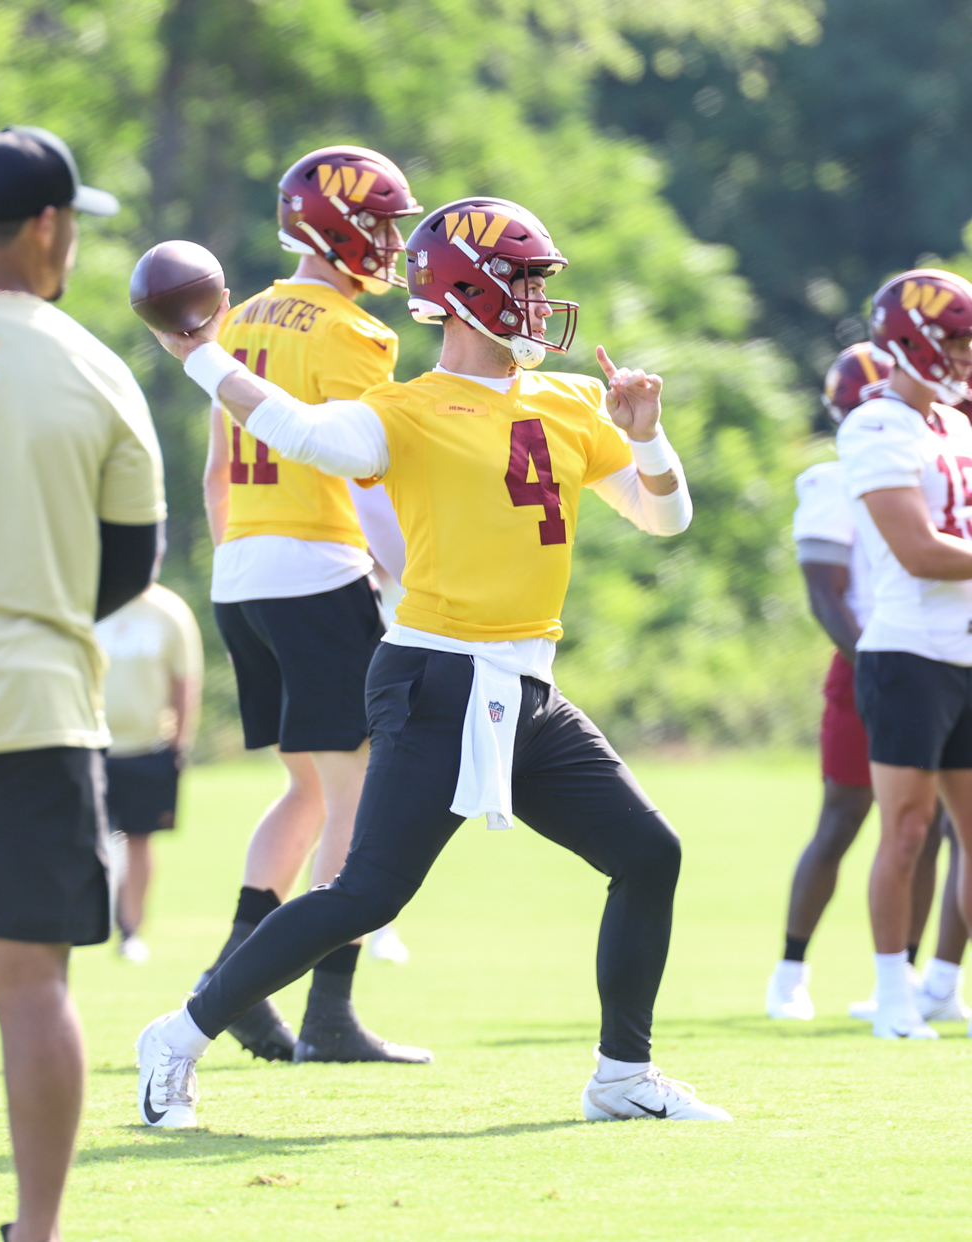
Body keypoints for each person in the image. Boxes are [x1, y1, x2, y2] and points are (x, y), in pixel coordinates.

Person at [136, 194, 733, 1128]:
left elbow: (667, 517)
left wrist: (648, 432)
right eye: (526, 283)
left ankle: (622, 1076)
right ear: (469, 293)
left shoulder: (571, 400)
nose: (539, 303)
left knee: (649, 854)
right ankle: (175, 1036)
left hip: (527, 685)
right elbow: (302, 433)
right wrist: (200, 356)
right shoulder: (406, 409)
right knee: (366, 895)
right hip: (436, 679)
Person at [0, 127, 164, 1242]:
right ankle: (36, 1234)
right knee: (30, 986)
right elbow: (128, 569)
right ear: (47, 226)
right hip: (36, 711)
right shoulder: (94, 367)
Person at [198, 144, 428, 1063]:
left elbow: (218, 470)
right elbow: (370, 470)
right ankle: (322, 1008)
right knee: (356, 796)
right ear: (332, 226)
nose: (388, 241)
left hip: (242, 572)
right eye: (377, 223)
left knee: (306, 790)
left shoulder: (237, 319)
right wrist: (406, 570)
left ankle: (237, 982)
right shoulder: (353, 333)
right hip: (316, 568)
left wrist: (243, 566)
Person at [766, 344, 947, 1020]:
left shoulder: (936, 467)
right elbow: (825, 594)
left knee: (924, 830)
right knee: (843, 819)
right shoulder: (835, 478)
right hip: (873, 657)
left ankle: (904, 974)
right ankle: (790, 969)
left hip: (936, 658)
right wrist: (871, 658)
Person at [837, 268, 972, 1039]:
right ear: (914, 338)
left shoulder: (956, 425)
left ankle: (945, 988)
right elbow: (919, 551)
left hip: (965, 646)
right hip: (908, 651)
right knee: (909, 828)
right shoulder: (875, 426)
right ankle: (893, 990)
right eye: (953, 338)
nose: (963, 354)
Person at [96, 579, 203, 962]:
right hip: (89, 745)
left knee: (139, 839)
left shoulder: (168, 611)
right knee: (79, 841)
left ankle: (130, 931)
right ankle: (78, 928)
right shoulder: (88, 600)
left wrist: (180, 743)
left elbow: (185, 681)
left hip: (147, 747)